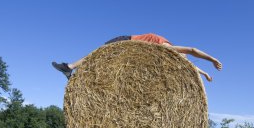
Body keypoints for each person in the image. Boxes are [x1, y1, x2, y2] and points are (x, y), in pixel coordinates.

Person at [52, 33, 222, 81]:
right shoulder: (166, 47)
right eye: (182, 57)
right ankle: (71, 68)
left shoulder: (168, 53)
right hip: (126, 42)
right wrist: (212, 59)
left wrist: (204, 74)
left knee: (105, 61)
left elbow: (189, 64)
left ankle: (75, 74)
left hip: (131, 51)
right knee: (100, 54)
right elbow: (192, 50)